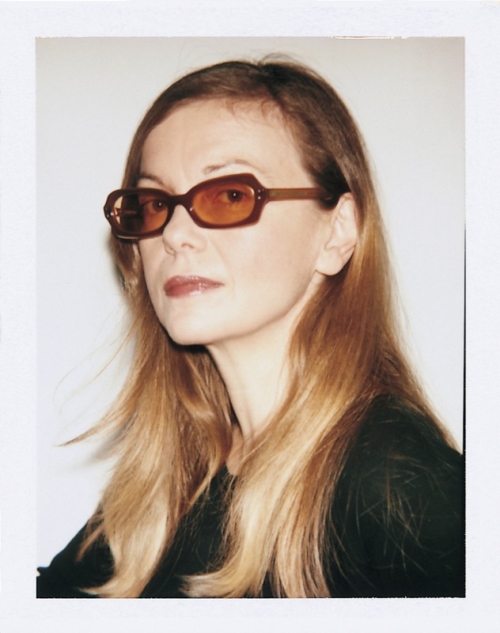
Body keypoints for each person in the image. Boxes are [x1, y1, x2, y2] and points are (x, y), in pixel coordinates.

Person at [37, 58, 464, 599]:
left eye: (230, 195)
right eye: (154, 204)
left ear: (337, 232)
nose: (175, 235)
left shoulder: (396, 478)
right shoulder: (176, 477)